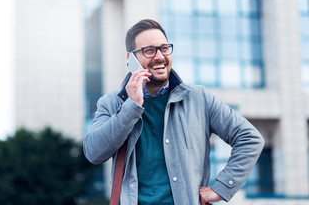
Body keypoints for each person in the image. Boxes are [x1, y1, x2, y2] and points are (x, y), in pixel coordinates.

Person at [83, 19, 265, 205]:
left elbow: (250, 139)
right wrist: (131, 106)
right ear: (131, 59)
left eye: (164, 48)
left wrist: (222, 187)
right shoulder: (111, 103)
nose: (160, 56)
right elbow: (94, 153)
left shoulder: (199, 98)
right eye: (149, 50)